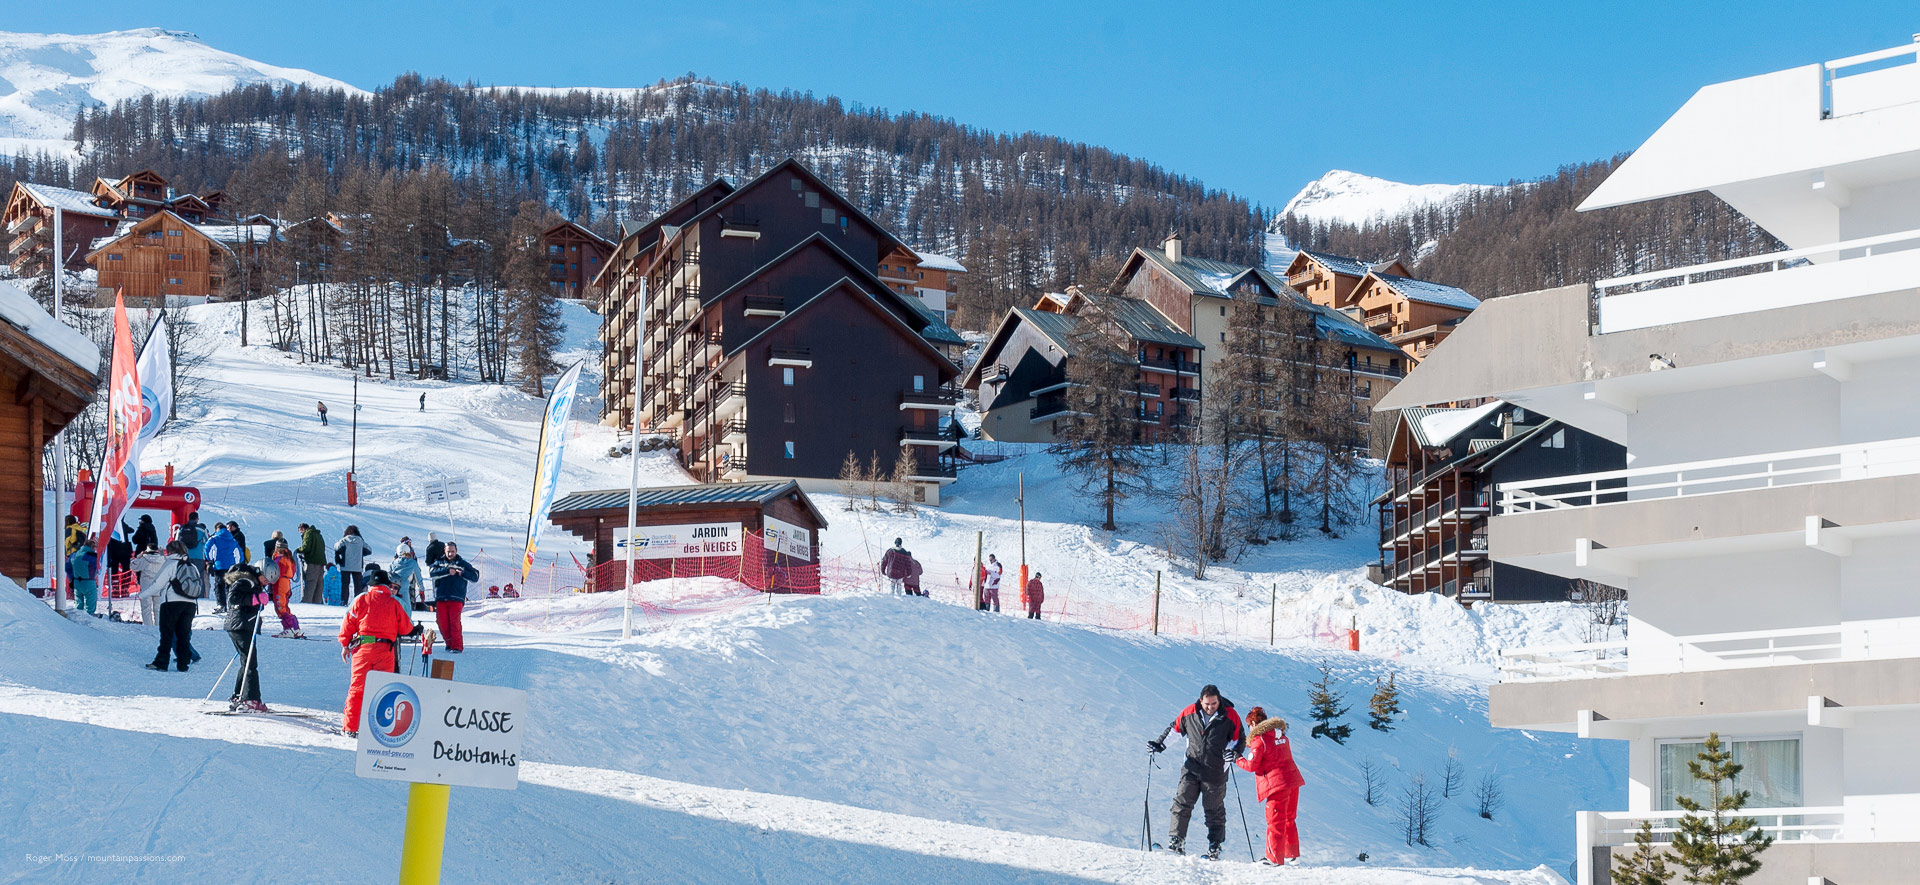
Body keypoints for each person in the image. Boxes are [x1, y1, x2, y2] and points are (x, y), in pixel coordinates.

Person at [1148, 684, 1246, 858]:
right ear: (1201, 700)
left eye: (1214, 703)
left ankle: (1214, 847)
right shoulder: (1190, 712)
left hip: (1216, 770)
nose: (1210, 707)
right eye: (1207, 703)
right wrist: (1159, 745)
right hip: (1192, 767)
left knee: (1213, 809)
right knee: (1182, 802)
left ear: (1219, 700)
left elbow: (1239, 739)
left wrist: (1234, 753)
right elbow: (1176, 730)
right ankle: (1176, 842)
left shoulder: (1230, 715)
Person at [337, 566, 420, 737]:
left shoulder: (361, 600)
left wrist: (345, 644)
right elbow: (405, 628)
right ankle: (380, 729)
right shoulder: (395, 602)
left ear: (371, 584)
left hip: (363, 649)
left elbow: (348, 624)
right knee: (383, 690)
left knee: (357, 689)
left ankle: (350, 728)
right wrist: (415, 629)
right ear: (386, 585)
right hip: (385, 651)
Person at [1236, 706, 1305, 866]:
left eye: (1249, 725)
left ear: (1253, 723)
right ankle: (1292, 855)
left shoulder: (1259, 740)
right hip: (1292, 780)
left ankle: (1274, 858)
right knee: (1289, 819)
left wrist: (1237, 759)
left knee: (1275, 821)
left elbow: (1252, 765)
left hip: (1277, 785)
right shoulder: (1280, 736)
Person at [140, 541, 203, 673]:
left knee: (167, 633)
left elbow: (158, 584)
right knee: (184, 634)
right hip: (190, 604)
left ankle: (161, 662)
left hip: (171, 602)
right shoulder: (192, 565)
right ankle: (183, 663)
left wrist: (143, 595)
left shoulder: (170, 564)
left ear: (170, 551)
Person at [223, 564, 270, 712]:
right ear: (259, 572)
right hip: (240, 626)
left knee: (246, 661)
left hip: (242, 625)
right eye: (266, 578)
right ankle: (250, 699)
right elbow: (233, 598)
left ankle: (239, 695)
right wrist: (255, 598)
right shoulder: (245, 580)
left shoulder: (251, 582)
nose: (267, 582)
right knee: (250, 663)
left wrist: (257, 601)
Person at [429, 541, 479, 653]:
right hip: (441, 597)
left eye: (452, 551)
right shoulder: (439, 562)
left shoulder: (462, 563)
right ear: (444, 551)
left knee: (454, 622)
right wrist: (447, 571)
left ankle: (457, 646)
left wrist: (462, 573)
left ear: (456, 551)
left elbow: (475, 576)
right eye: (448, 552)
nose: (450, 554)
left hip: (456, 597)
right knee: (441, 622)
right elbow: (432, 572)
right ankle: (449, 642)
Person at [268, 539, 303, 638]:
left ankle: (288, 628)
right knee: (285, 606)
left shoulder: (279, 558)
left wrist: (269, 582)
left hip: (279, 583)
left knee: (280, 606)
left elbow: (274, 571)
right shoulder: (290, 558)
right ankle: (295, 628)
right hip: (287, 582)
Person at [207, 522, 242, 613]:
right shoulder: (232, 540)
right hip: (231, 567)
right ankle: (232, 604)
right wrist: (237, 565)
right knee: (230, 586)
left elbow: (207, 548)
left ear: (216, 529)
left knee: (219, 586)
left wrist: (210, 561)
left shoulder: (214, 538)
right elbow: (239, 553)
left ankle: (221, 605)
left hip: (219, 566)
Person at [177, 511, 211, 601]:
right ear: (196, 519)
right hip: (198, 556)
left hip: (185, 556)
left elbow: (177, 542)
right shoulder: (202, 529)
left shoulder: (182, 528)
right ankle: (199, 597)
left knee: (185, 575)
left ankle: (185, 594)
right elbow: (207, 542)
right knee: (199, 576)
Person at [334, 526, 373, 601]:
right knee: (358, 586)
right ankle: (358, 601)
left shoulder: (344, 540)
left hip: (345, 566)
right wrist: (360, 553)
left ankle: (344, 601)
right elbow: (369, 550)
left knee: (345, 585)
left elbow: (337, 547)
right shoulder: (360, 541)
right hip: (357, 567)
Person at [133, 545, 166, 628]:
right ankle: (159, 626)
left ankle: (148, 627)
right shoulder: (162, 559)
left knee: (146, 609)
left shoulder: (143, 559)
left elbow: (133, 566)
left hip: (146, 588)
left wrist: (138, 557)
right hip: (158, 586)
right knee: (158, 609)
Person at [66, 537, 100, 616]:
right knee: (90, 605)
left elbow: (68, 567)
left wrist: (72, 578)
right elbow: (99, 566)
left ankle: (78, 621)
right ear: (92, 547)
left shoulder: (74, 555)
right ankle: (89, 620)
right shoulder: (93, 556)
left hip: (77, 582)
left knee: (78, 604)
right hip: (89, 582)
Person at [297, 523, 327, 604]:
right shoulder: (318, 535)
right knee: (319, 584)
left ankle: (307, 602)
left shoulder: (308, 533)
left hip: (313, 562)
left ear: (303, 529)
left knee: (311, 582)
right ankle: (317, 603)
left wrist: (298, 550)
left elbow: (306, 547)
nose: (301, 534)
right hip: (321, 563)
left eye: (301, 532)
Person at [392, 536, 422, 608]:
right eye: (409, 542)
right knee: (407, 594)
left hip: (403, 578)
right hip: (407, 577)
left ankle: (411, 603)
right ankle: (410, 606)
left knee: (410, 590)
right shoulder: (406, 551)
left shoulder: (408, 551)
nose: (410, 543)